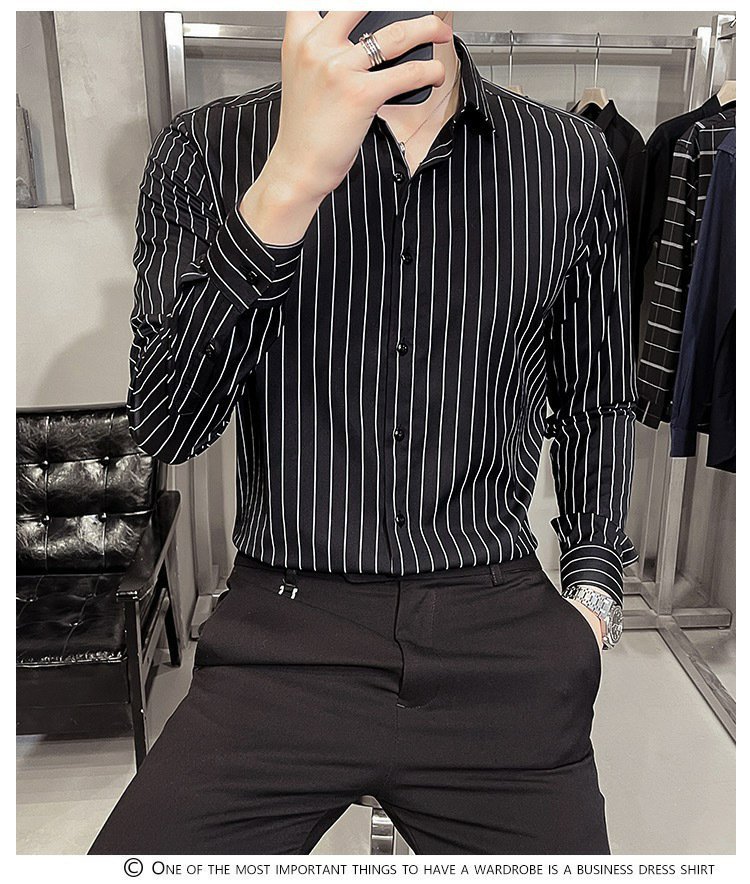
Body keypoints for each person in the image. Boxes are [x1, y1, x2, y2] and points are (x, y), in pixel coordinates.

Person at [89, 11, 638, 855]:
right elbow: (170, 424)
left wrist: (593, 596)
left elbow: (595, 392)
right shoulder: (209, 147)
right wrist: (288, 184)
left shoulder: (569, 157)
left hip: (496, 632)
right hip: (284, 634)